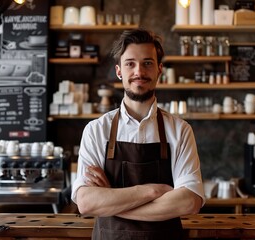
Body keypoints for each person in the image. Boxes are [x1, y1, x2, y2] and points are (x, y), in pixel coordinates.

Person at [71, 28, 205, 240]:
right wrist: (152, 191)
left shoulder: (180, 130)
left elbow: (189, 202)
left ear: (159, 70)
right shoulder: (96, 130)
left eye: (147, 63)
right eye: (130, 63)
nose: (139, 72)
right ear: (119, 71)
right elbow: (86, 202)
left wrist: (111, 202)